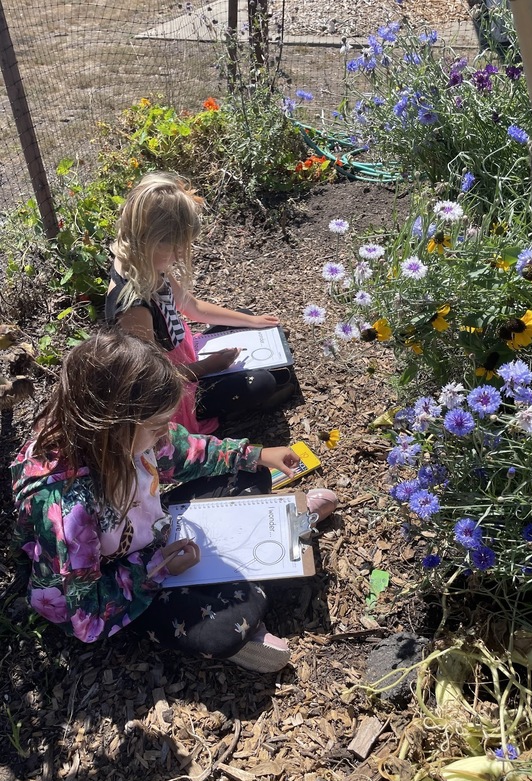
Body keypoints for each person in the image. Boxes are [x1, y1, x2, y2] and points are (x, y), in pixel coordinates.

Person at [11, 330, 337, 672]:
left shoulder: (119, 436)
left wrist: (256, 454)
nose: (165, 433)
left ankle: (261, 559)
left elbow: (181, 452)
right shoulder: (68, 511)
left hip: (150, 530)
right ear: (112, 424)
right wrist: (155, 569)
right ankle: (246, 609)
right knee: (222, 631)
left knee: (250, 472)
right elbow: (87, 614)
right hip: (114, 575)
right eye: (156, 426)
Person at [104, 171, 294, 435]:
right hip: (175, 394)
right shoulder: (133, 307)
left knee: (246, 318)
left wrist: (253, 322)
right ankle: (226, 418)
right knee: (260, 383)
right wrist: (210, 367)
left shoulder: (145, 261)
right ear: (151, 240)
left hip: (187, 355)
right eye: (175, 247)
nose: (180, 254)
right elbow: (153, 380)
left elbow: (190, 306)